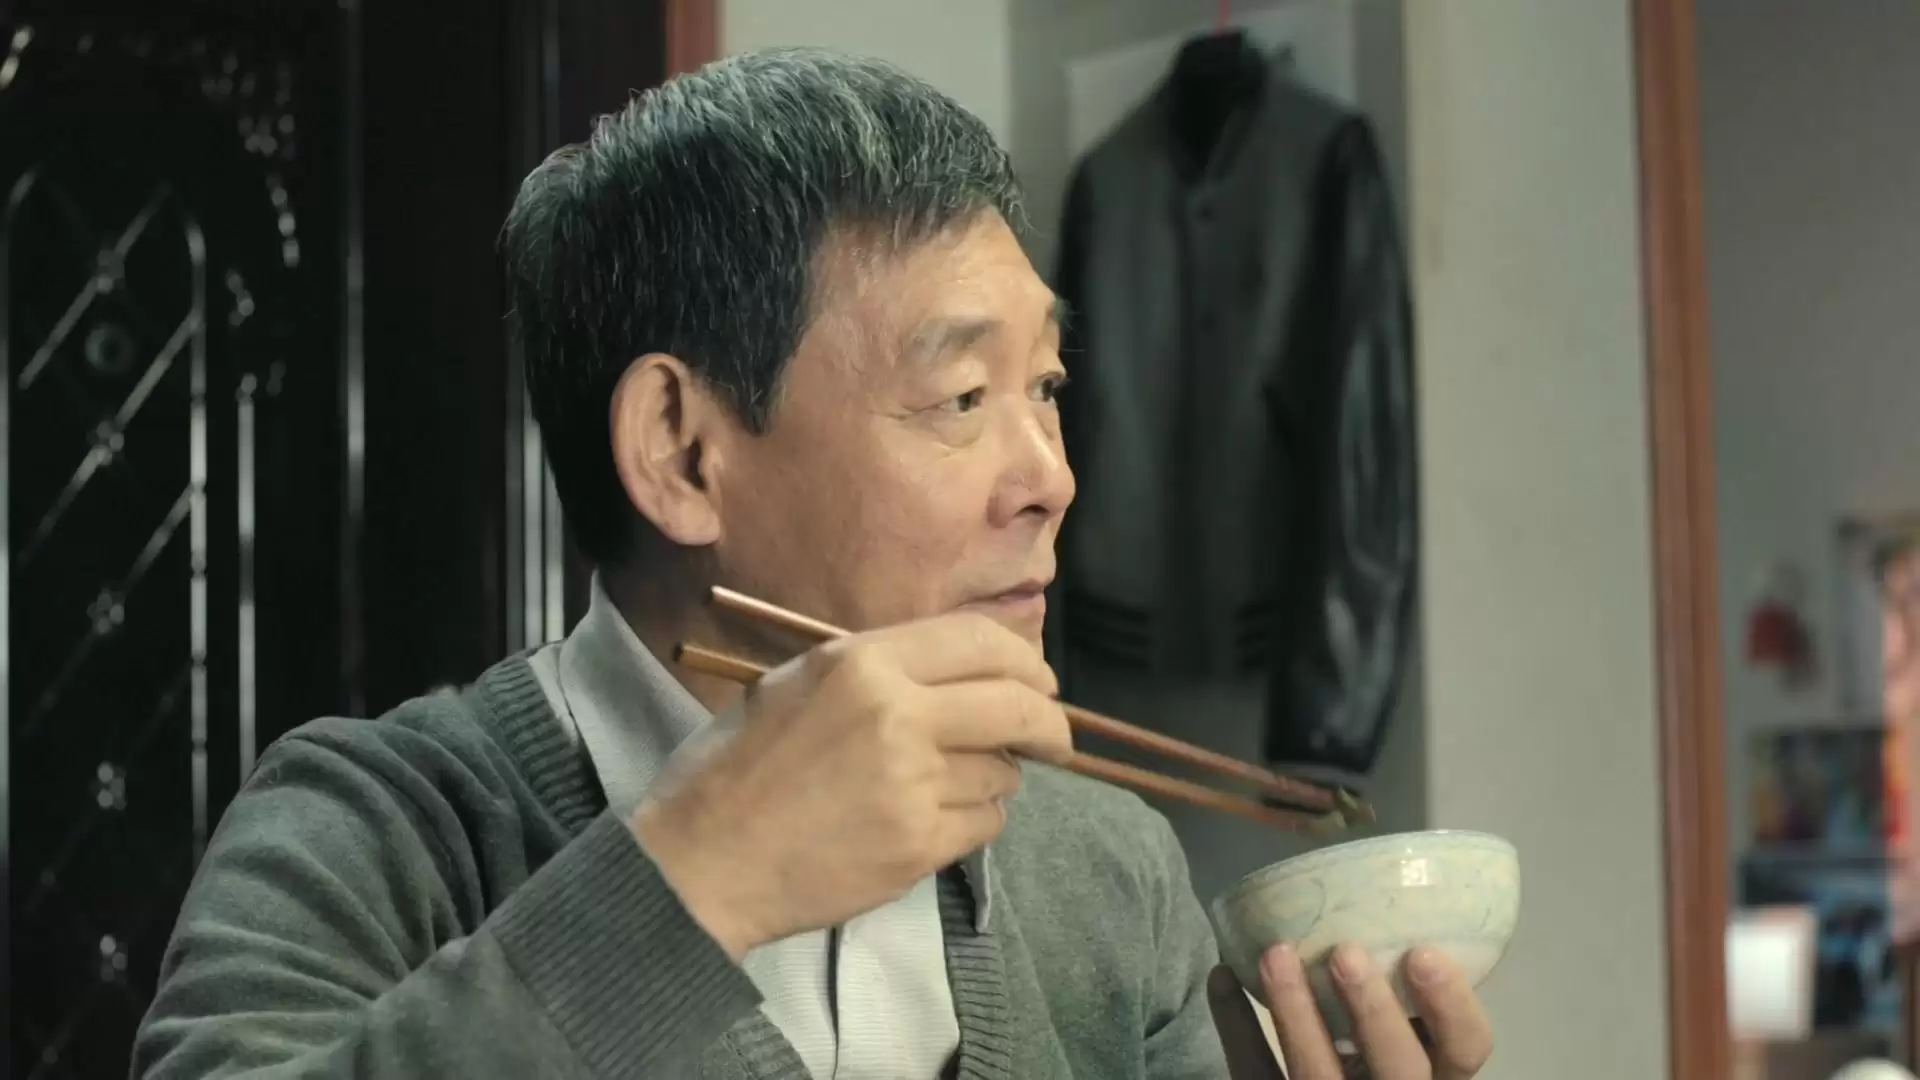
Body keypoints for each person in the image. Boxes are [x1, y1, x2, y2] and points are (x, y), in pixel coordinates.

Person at [132, 48, 1495, 1080]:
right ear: (681, 451)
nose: (1053, 478)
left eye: (1048, 387)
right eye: (962, 397)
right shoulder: (377, 832)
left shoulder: (1106, 867)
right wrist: (698, 874)